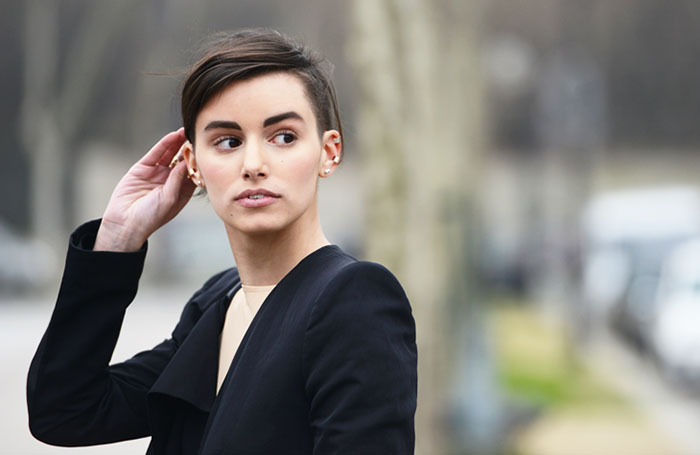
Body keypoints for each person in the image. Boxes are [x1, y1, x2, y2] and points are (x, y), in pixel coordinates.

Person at [26, 28, 417, 454]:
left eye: (283, 136)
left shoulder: (355, 301)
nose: (253, 164)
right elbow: (64, 412)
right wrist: (118, 239)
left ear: (329, 152)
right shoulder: (218, 302)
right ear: (193, 164)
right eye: (228, 142)